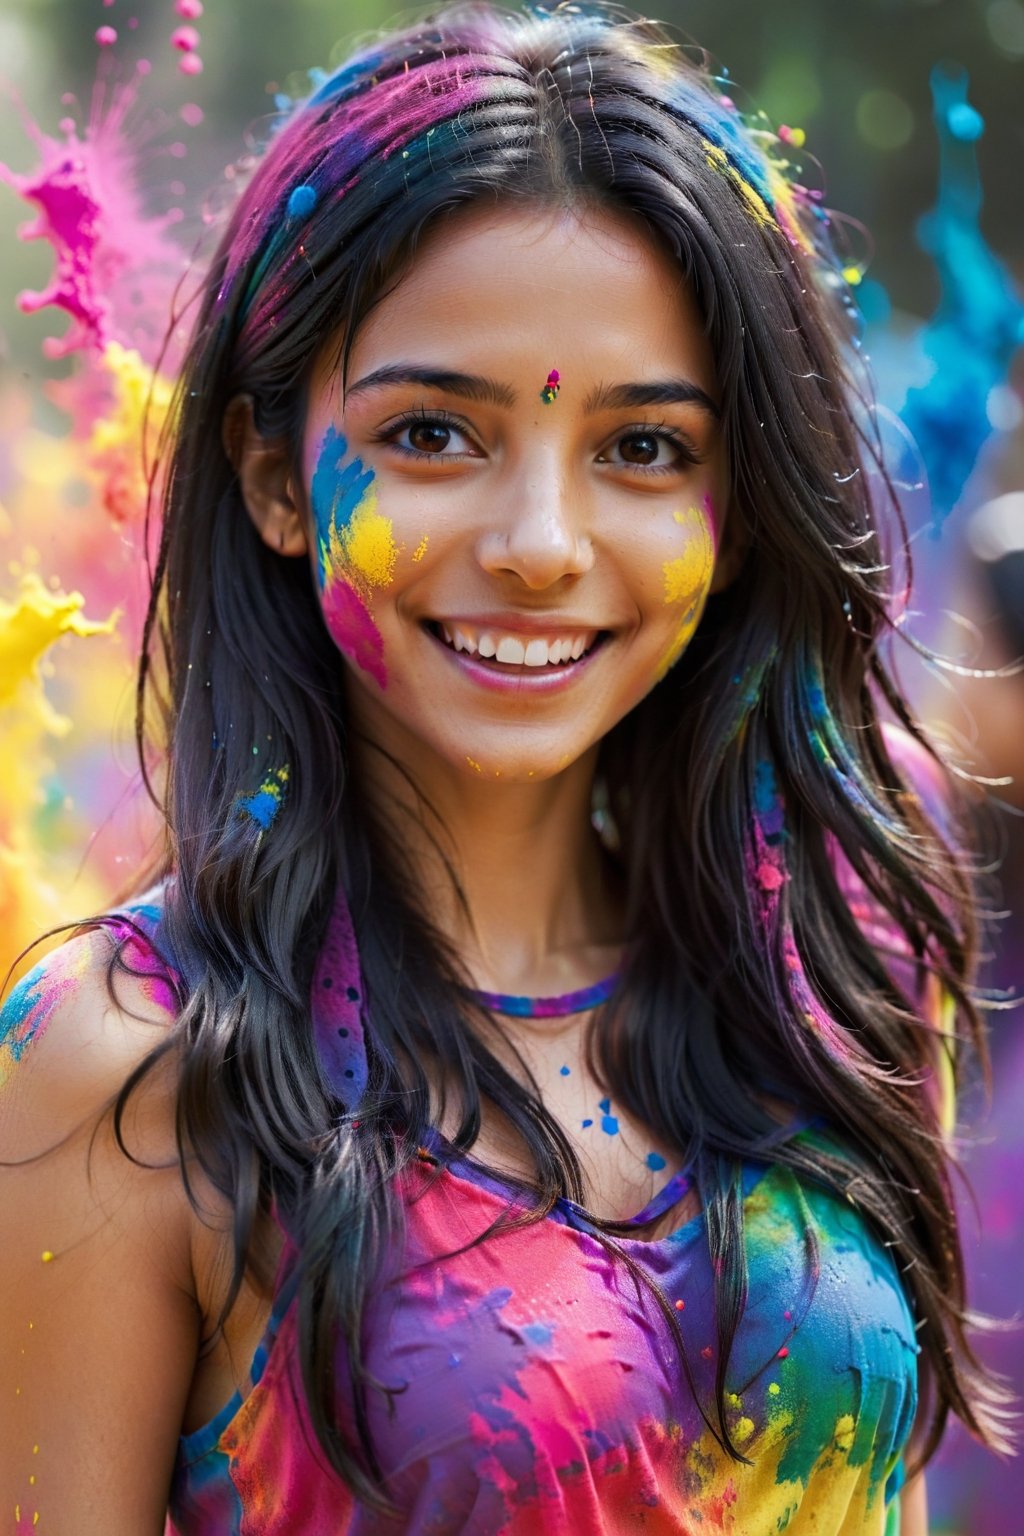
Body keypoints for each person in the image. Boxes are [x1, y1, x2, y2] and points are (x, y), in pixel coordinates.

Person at [0, 4, 1013, 1531]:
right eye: (432, 435)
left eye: (645, 450)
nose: (542, 547)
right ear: (274, 476)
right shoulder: (122, 1067)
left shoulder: (834, 977)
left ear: (740, 507)